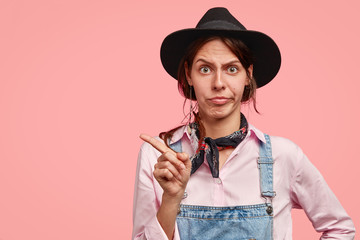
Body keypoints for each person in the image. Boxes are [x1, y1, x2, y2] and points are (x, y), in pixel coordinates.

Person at [132, 7, 355, 240]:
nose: (219, 83)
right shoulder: (157, 156)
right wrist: (171, 200)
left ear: (248, 75)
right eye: (205, 69)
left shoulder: (284, 155)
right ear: (189, 74)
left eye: (231, 69)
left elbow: (340, 229)